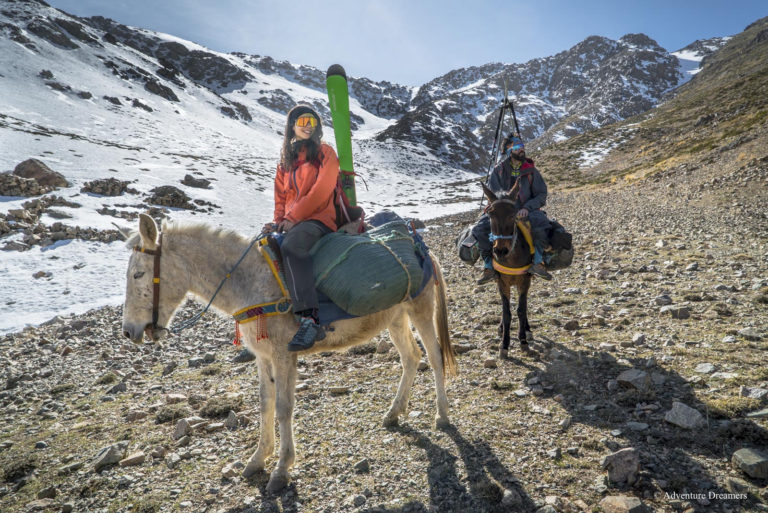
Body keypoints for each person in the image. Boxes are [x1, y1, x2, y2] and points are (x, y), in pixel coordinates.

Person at [261, 104, 340, 351]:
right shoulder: (286, 160)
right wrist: (277, 222)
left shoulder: (325, 153)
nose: (308, 126)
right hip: (293, 220)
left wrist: (294, 217)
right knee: (263, 248)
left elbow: (322, 191)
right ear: (292, 126)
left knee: (294, 247)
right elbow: (280, 198)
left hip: (320, 219)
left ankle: (310, 319)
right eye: (303, 121)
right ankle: (267, 321)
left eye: (312, 122)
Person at [471, 133, 553, 284]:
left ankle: (538, 262)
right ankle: (488, 266)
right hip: (503, 211)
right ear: (509, 151)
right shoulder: (498, 171)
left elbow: (541, 194)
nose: (521, 150)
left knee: (542, 225)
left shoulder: (531, 171)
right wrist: (505, 210)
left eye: (522, 147)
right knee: (480, 228)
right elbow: (494, 196)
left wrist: (527, 208)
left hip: (528, 210)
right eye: (517, 147)